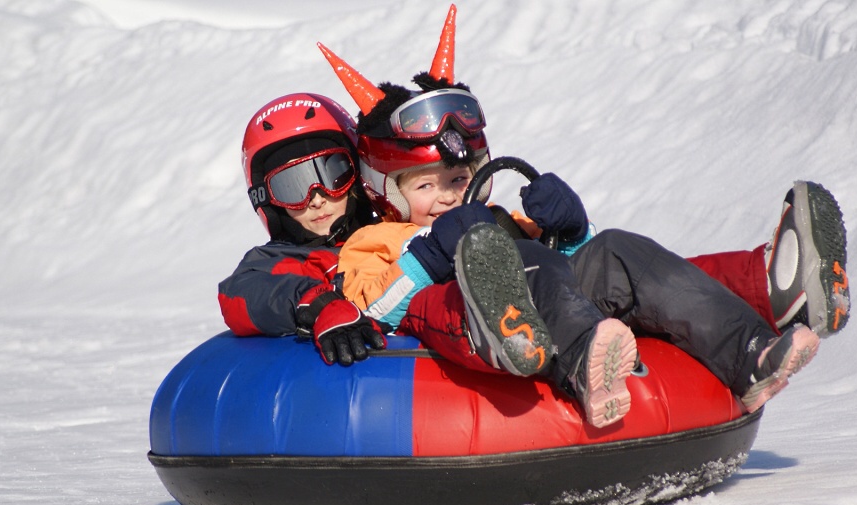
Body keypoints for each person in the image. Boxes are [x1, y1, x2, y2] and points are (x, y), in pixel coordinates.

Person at [316, 14, 829, 428]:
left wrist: (570, 231)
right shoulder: (374, 240)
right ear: (385, 190)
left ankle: (752, 354)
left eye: (456, 180)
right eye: (425, 186)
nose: (447, 198)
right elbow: (373, 306)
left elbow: (568, 275)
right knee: (521, 261)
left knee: (615, 248)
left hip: (541, 303)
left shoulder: (496, 219)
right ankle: (588, 366)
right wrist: (430, 255)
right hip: (463, 330)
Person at [217, 92, 389, 367]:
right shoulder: (276, 262)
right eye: (292, 187)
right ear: (269, 201)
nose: (317, 198)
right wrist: (315, 301)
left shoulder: (392, 235)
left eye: (333, 175)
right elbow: (239, 295)